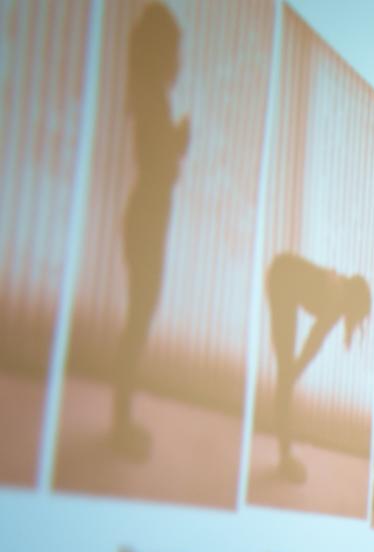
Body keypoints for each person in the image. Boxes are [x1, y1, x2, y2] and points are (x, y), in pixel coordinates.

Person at [112, 3, 188, 460]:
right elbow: (160, 167)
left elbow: (157, 163)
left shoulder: (149, 95)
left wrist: (173, 145)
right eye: (176, 51)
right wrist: (178, 143)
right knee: (138, 321)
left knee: (138, 319)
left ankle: (121, 418)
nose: (180, 61)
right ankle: (120, 423)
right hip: (147, 219)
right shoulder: (152, 97)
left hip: (147, 217)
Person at [265, 253, 371, 483]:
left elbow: (315, 341)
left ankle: (284, 451)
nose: (357, 319)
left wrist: (296, 370)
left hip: (283, 273)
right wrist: (294, 371)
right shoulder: (338, 296)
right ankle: (285, 457)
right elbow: (315, 340)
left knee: (286, 376)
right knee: (285, 374)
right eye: (360, 313)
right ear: (355, 300)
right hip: (282, 277)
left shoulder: (340, 291)